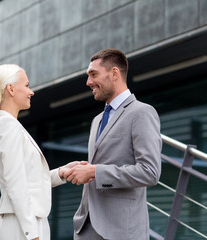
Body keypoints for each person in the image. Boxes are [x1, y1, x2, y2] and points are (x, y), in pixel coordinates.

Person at [64, 49, 162, 240]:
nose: (88, 82)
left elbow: (150, 172)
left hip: (121, 231)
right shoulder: (97, 120)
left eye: (94, 74)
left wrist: (95, 172)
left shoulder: (142, 113)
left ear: (114, 73)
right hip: (86, 228)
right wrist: (84, 170)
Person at [0, 64, 78, 240]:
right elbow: (15, 181)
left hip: (24, 219)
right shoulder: (7, 125)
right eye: (26, 85)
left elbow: (27, 179)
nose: (31, 91)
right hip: (22, 223)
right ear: (10, 89)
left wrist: (61, 173)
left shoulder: (7, 124)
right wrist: (31, 233)